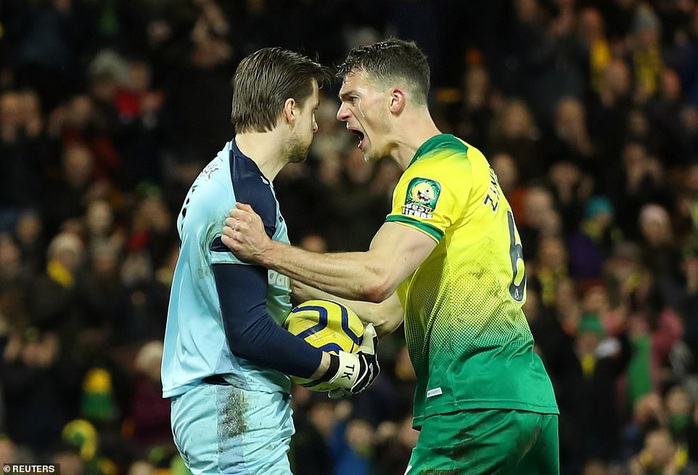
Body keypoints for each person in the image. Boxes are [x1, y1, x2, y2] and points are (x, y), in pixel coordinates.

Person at [222, 38, 560, 474]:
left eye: (352, 99)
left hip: (473, 403)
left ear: (395, 100)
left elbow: (377, 275)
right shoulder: (467, 167)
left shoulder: (436, 171)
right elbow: (385, 310)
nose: (340, 114)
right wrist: (281, 279)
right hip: (526, 401)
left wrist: (266, 250)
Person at [161, 47, 380, 475]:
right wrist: (337, 368)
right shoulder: (245, 194)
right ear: (289, 110)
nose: (318, 123)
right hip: (231, 400)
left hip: (220, 400)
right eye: (313, 110)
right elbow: (249, 333)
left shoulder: (223, 172)